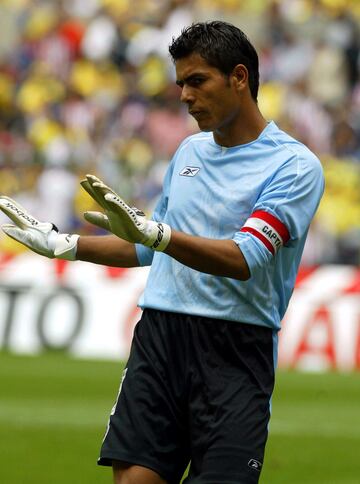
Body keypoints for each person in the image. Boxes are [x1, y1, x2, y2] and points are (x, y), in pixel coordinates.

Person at [0, 21, 324, 484]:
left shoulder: (294, 166)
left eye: (197, 81)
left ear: (239, 77)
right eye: (180, 84)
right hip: (161, 336)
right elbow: (148, 245)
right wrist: (64, 244)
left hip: (235, 350)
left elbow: (244, 257)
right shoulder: (189, 151)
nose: (185, 96)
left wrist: (158, 236)